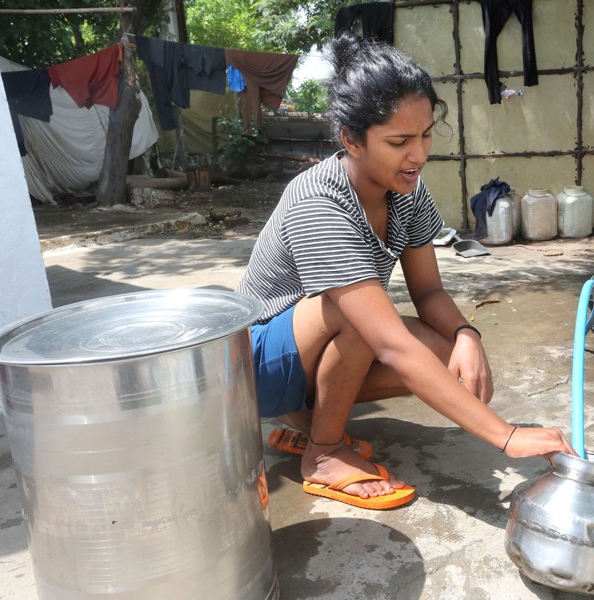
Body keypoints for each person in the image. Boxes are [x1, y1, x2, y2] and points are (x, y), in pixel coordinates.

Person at [236, 31, 573, 510]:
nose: (418, 155)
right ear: (351, 139)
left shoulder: (406, 189)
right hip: (256, 369)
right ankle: (324, 452)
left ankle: (304, 417)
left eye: (425, 134)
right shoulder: (320, 203)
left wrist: (466, 335)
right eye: (399, 141)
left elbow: (429, 289)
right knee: (360, 315)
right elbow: (390, 343)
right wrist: (505, 435)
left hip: (308, 358)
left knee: (445, 355)